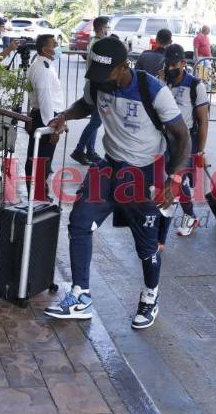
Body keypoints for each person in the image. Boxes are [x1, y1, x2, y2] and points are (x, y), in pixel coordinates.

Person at [45, 38, 191, 329]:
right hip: (109, 166)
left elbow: (182, 137)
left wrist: (174, 180)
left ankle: (150, 296)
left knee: (147, 246)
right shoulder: (99, 82)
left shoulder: (153, 91)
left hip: (144, 173)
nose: (102, 82)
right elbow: (85, 105)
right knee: (80, 221)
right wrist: (63, 116)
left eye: (108, 75)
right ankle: (81, 295)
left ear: (124, 67)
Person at [159, 44, 209, 238]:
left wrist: (200, 151)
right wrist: (161, 83)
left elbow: (203, 122)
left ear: (182, 63)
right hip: (165, 138)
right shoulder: (163, 82)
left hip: (186, 139)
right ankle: (190, 216)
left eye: (174, 64)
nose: (170, 68)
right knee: (176, 180)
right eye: (168, 64)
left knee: (177, 180)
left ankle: (185, 219)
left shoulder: (196, 86)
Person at [25, 34, 64, 201]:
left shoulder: (42, 64)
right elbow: (45, 98)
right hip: (45, 117)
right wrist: (53, 127)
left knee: (38, 160)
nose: (57, 46)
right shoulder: (43, 69)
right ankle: (39, 198)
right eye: (54, 44)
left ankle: (38, 196)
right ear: (45, 49)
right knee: (41, 161)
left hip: (42, 115)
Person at [70, 16, 109, 166]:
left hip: (93, 86)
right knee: (95, 122)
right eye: (107, 27)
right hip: (95, 87)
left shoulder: (96, 42)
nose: (108, 30)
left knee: (95, 121)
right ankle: (79, 150)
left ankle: (90, 151)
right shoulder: (98, 44)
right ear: (101, 28)